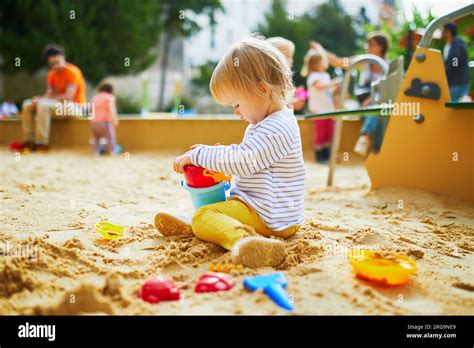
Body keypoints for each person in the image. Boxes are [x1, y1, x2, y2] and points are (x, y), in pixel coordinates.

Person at [154, 35, 305, 268]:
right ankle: (204, 227)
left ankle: (246, 241)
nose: (236, 112)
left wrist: (198, 155)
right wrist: (218, 161)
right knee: (210, 211)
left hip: (270, 217)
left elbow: (244, 160)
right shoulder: (268, 122)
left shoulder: (277, 126)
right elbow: (247, 160)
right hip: (266, 210)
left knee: (203, 217)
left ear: (262, 89)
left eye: (236, 104)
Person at [312, 32, 390, 156]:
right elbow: (338, 62)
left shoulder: (388, 66)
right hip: (364, 101)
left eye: (372, 44)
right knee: (377, 111)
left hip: (379, 101)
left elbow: (389, 89)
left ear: (381, 47)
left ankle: (367, 139)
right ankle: (371, 144)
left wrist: (373, 98)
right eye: (367, 44)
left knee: (378, 109)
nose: (367, 47)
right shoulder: (364, 62)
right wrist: (321, 50)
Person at [20, 44, 86, 152]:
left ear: (63, 57)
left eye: (57, 62)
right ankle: (29, 142)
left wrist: (44, 101)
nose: (55, 66)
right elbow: (49, 95)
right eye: (52, 64)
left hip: (75, 107)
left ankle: (41, 143)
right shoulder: (52, 74)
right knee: (27, 105)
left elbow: (69, 97)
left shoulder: (72, 72)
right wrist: (39, 99)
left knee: (43, 105)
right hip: (58, 106)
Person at [301, 47, 339, 163]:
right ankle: (319, 156)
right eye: (323, 60)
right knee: (321, 132)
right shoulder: (313, 76)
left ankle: (327, 154)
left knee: (329, 132)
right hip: (318, 110)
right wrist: (332, 83)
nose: (325, 63)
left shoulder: (326, 75)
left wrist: (334, 89)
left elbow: (326, 91)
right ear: (316, 64)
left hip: (328, 109)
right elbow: (318, 86)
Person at [267, 36, 306, 111]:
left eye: (290, 56)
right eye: (286, 55)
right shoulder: (270, 80)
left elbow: (297, 102)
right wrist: (291, 103)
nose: (291, 60)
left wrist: (299, 94)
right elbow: (269, 106)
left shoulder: (285, 80)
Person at [442, 23, 471, 101]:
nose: (442, 33)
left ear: (448, 32)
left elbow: (455, 59)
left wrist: (451, 68)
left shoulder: (456, 44)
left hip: (457, 82)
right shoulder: (452, 44)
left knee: (454, 105)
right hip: (459, 81)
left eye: (444, 31)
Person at [90, 82, 119, 155]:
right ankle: (112, 151)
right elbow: (111, 108)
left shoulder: (95, 97)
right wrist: (114, 118)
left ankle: (95, 152)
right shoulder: (109, 97)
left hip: (94, 122)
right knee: (110, 137)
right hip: (105, 121)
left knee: (96, 138)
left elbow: (91, 108)